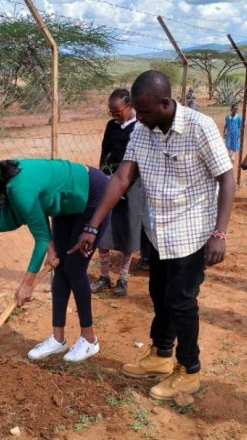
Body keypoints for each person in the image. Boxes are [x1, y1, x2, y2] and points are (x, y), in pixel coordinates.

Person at [71, 70, 235, 400]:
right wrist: (92, 226)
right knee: (160, 296)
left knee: (181, 302)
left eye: (144, 111)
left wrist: (220, 233)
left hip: (191, 233)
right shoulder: (143, 131)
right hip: (158, 232)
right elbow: (121, 179)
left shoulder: (198, 127)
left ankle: (189, 370)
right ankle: (161, 356)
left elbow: (227, 179)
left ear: (164, 102)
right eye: (137, 111)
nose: (139, 118)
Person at [0, 155, 110, 363]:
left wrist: (26, 284)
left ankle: (89, 340)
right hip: (66, 201)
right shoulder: (7, 177)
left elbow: (40, 238)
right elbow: (40, 223)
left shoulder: (19, 188)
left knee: (74, 268)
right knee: (60, 268)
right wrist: (51, 250)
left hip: (94, 194)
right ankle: (58, 339)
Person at [90, 89, 144, 297]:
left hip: (131, 184)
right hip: (109, 182)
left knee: (128, 229)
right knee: (104, 229)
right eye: (111, 113)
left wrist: (125, 180)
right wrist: (104, 176)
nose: (114, 116)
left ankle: (123, 278)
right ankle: (104, 276)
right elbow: (105, 154)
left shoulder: (139, 128)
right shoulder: (111, 127)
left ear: (129, 105)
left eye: (117, 112)